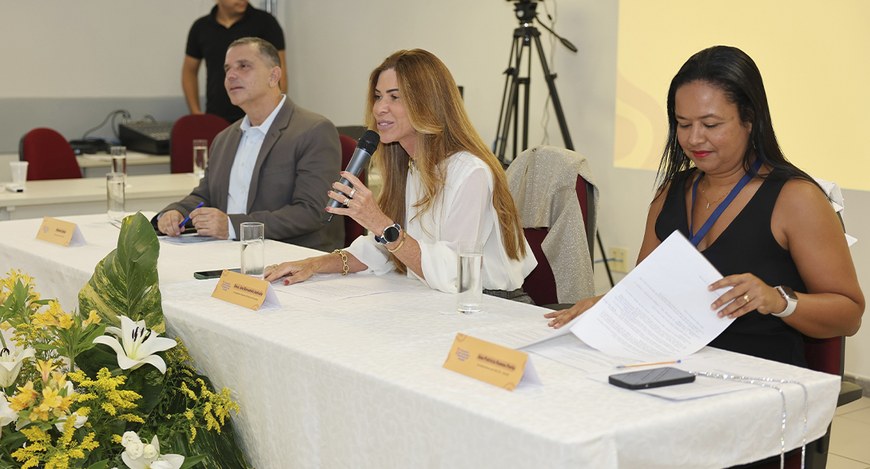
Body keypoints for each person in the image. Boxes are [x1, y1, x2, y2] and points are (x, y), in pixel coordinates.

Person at [545, 45, 863, 367]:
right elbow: (644, 293)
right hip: (674, 365)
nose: (694, 139)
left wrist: (777, 299)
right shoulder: (672, 190)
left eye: (710, 125)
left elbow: (849, 314)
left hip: (759, 377)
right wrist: (603, 306)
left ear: (749, 120)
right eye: (683, 124)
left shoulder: (796, 198)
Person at [264, 49, 537, 298]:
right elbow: (378, 251)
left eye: (395, 97)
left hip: (488, 304)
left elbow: (456, 274)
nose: (380, 108)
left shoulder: (470, 172)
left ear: (428, 104)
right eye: (378, 96)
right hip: (433, 298)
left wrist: (380, 223)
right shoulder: (408, 165)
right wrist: (313, 264)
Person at [157, 37, 343, 252]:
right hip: (225, 253)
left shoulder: (314, 130)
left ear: (274, 76)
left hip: (290, 259)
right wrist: (177, 212)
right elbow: (205, 195)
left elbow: (312, 212)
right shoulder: (225, 138)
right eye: (227, 69)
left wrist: (232, 226)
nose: (230, 75)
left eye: (243, 66)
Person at [183, 0, 287, 123]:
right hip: (216, 115)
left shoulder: (266, 23)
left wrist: (275, 113)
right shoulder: (201, 27)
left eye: (243, 66)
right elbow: (189, 71)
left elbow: (279, 70)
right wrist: (195, 112)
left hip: (258, 117)